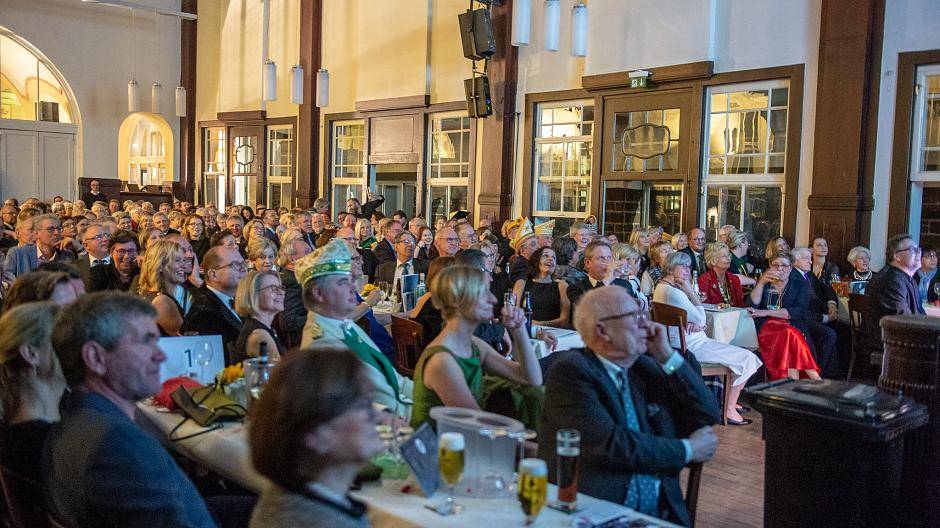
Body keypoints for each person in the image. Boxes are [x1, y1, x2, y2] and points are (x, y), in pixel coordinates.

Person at [538, 286, 720, 527]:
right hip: (600, 512)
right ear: (602, 331)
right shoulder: (572, 372)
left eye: (644, 315)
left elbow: (708, 413)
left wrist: (666, 355)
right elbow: (612, 445)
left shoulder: (645, 368)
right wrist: (687, 449)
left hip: (658, 513)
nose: (647, 324)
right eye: (634, 316)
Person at [44, 292, 218, 527]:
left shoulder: (72, 420)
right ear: (95, 358)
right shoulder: (115, 445)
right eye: (145, 341)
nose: (161, 355)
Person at [248, 347, 378, 528]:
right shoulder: (323, 522)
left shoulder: (288, 499)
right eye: (362, 405)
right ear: (314, 434)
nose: (375, 416)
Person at [411, 266, 542, 427]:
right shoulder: (442, 361)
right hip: (439, 442)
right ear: (458, 302)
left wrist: (519, 330)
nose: (493, 299)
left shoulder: (473, 344)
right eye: (483, 293)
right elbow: (477, 425)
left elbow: (532, 379)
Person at [298, 240, 413, 418]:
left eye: (351, 280)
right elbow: (345, 408)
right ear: (318, 293)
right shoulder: (322, 344)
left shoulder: (345, 325)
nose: (353, 288)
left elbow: (395, 381)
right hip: (389, 421)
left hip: (403, 407)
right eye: (343, 282)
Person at [654, 252, 761, 424]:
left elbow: (696, 318)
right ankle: (729, 408)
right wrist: (690, 292)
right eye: (683, 266)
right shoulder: (675, 293)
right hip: (693, 346)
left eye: (689, 266)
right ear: (671, 268)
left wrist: (698, 322)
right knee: (749, 358)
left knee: (741, 356)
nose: (687, 270)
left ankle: (727, 401)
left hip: (683, 342)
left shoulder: (661, 288)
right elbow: (701, 319)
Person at [0, 302, 65, 492]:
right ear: (30, 353)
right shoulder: (36, 445)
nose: (79, 347)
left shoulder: (17, 435)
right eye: (65, 339)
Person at [746, 252, 822, 380]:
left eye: (784, 265)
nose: (780, 268)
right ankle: (814, 377)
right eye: (776, 265)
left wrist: (766, 312)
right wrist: (761, 282)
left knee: (789, 335)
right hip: (767, 327)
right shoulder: (765, 284)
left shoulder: (800, 285)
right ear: (770, 266)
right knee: (790, 335)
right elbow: (752, 304)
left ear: (791, 268)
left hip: (792, 325)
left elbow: (798, 311)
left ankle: (792, 381)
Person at [181, 246, 247, 365]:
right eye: (235, 265)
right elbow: (208, 361)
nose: (243, 269)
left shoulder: (237, 300)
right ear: (213, 275)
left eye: (243, 264)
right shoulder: (203, 313)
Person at [866, 235, 926, 349]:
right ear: (897, 256)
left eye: (918, 249)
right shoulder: (891, 280)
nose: (919, 253)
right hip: (894, 344)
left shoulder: (907, 278)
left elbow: (920, 314)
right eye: (912, 250)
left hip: (906, 339)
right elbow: (902, 320)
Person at [566, 240, 637, 314]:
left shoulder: (625, 285)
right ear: (587, 263)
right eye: (601, 258)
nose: (607, 262)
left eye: (609, 258)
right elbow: (587, 310)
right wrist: (607, 279)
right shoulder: (575, 288)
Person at [233, 271, 286, 365]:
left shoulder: (263, 328)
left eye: (281, 288)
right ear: (253, 294)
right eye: (273, 288)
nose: (281, 293)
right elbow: (282, 372)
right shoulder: (260, 336)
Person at [138, 239, 188, 337]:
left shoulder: (154, 295)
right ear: (160, 265)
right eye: (177, 260)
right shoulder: (162, 301)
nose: (184, 265)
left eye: (183, 260)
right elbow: (186, 340)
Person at [511, 246, 570, 328]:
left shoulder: (562, 285)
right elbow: (514, 313)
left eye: (554, 258)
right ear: (536, 260)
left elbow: (564, 319)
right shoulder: (521, 283)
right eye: (545, 255)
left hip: (554, 331)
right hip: (525, 328)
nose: (550, 259)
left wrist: (541, 324)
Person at [3, 214, 74, 279]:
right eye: (50, 229)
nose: (56, 233)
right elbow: (6, 282)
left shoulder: (66, 254)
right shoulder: (18, 254)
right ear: (36, 234)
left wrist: (78, 248)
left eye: (58, 229)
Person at [276, 238, 314, 348]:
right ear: (292, 258)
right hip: (302, 344)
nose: (313, 255)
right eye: (307, 252)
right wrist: (319, 320)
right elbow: (288, 321)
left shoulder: (295, 277)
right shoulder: (292, 282)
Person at [374, 231, 428, 295]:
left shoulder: (426, 267)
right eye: (406, 242)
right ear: (396, 246)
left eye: (413, 243)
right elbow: (377, 294)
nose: (410, 245)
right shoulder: (382, 270)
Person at [698, 242, 745, 307]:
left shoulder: (734, 279)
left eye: (729, 255)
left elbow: (741, 305)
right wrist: (715, 307)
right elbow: (703, 305)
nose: (728, 258)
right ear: (713, 260)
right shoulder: (704, 279)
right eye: (724, 256)